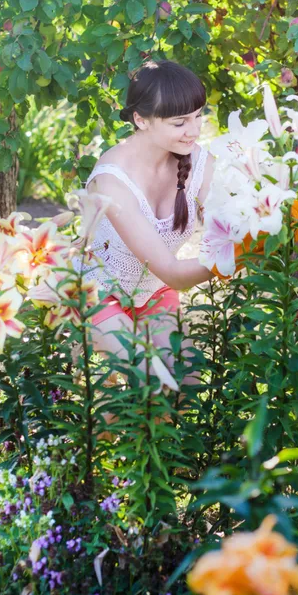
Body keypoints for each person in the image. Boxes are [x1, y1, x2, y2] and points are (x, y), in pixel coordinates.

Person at [78, 59, 216, 400]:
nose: (194, 130)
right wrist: (238, 257)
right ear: (140, 120)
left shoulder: (199, 162)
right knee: (146, 379)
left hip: (152, 290)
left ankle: (173, 455)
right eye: (179, 122)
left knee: (188, 376)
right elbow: (174, 272)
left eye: (198, 116)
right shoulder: (113, 179)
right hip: (97, 290)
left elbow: (227, 223)